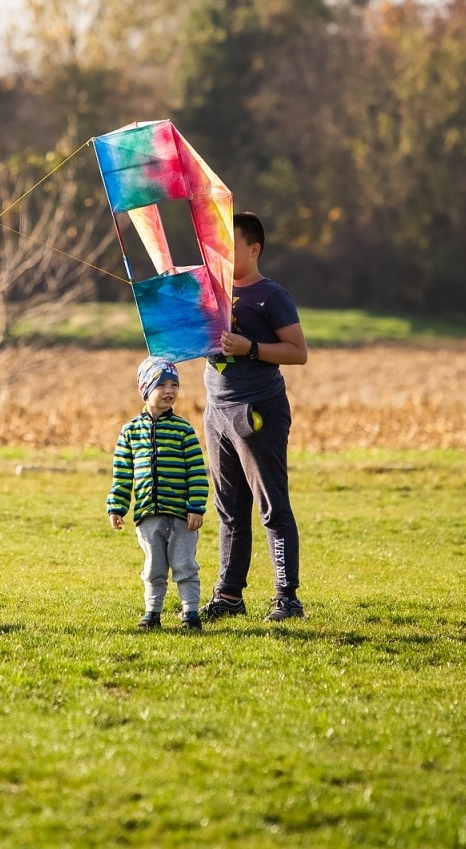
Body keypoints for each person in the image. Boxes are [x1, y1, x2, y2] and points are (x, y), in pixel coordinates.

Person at [200, 211, 310, 623]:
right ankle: (229, 595)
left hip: (257, 411)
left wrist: (249, 348)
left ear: (254, 248)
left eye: (231, 243)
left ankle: (287, 597)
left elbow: (298, 352)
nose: (222, 250)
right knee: (228, 508)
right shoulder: (213, 294)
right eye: (218, 243)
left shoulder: (271, 295)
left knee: (271, 506)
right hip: (216, 412)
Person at [107, 357, 209, 631]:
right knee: (154, 569)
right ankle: (152, 613)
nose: (169, 390)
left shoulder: (183, 430)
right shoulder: (130, 432)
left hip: (181, 517)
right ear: (145, 388)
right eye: (161, 384)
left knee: (185, 565)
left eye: (174, 384)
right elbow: (122, 473)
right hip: (147, 517)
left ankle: (190, 614)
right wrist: (116, 507)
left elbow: (197, 472)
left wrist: (196, 507)